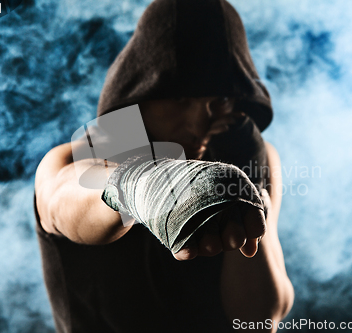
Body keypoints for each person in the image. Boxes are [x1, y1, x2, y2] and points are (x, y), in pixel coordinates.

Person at [34, 0, 294, 332]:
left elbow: (259, 319)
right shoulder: (78, 156)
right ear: (140, 97)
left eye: (217, 102)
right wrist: (140, 185)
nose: (198, 122)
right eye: (180, 100)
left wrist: (250, 201)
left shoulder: (250, 156)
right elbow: (59, 202)